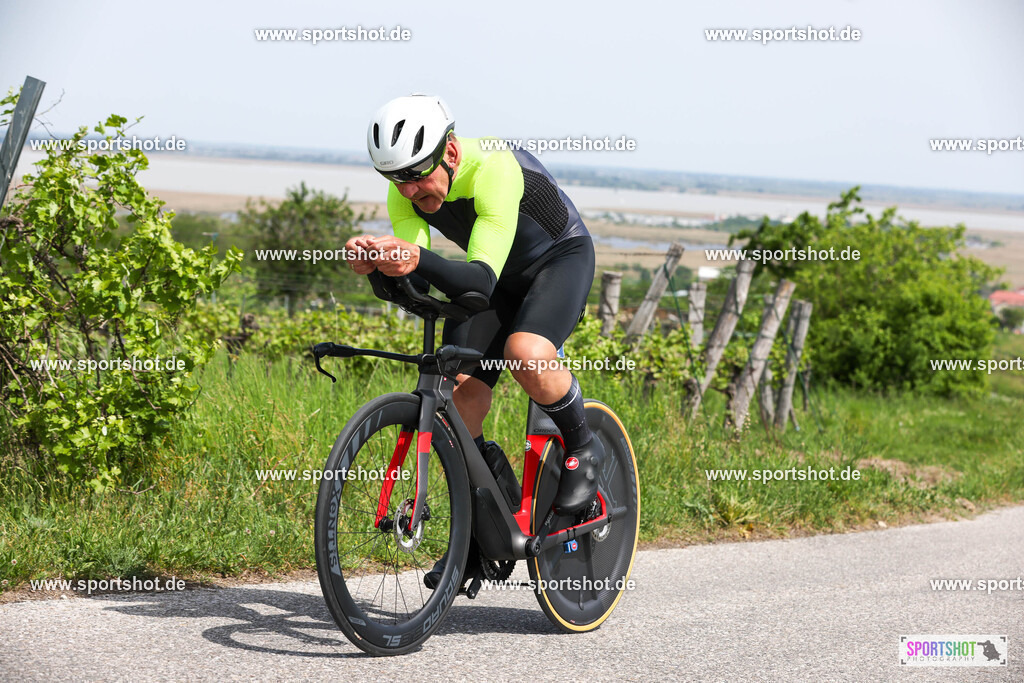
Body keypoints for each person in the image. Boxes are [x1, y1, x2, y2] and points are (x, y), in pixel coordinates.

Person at [346, 94, 604, 586]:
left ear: (451, 153)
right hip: (498, 280)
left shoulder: (494, 169)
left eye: (418, 175)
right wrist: (379, 267)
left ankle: (582, 446)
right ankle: (490, 521)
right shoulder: (406, 190)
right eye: (396, 180)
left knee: (526, 352)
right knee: (457, 391)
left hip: (557, 263)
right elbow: (419, 287)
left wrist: (415, 259)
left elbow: (479, 282)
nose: (410, 190)